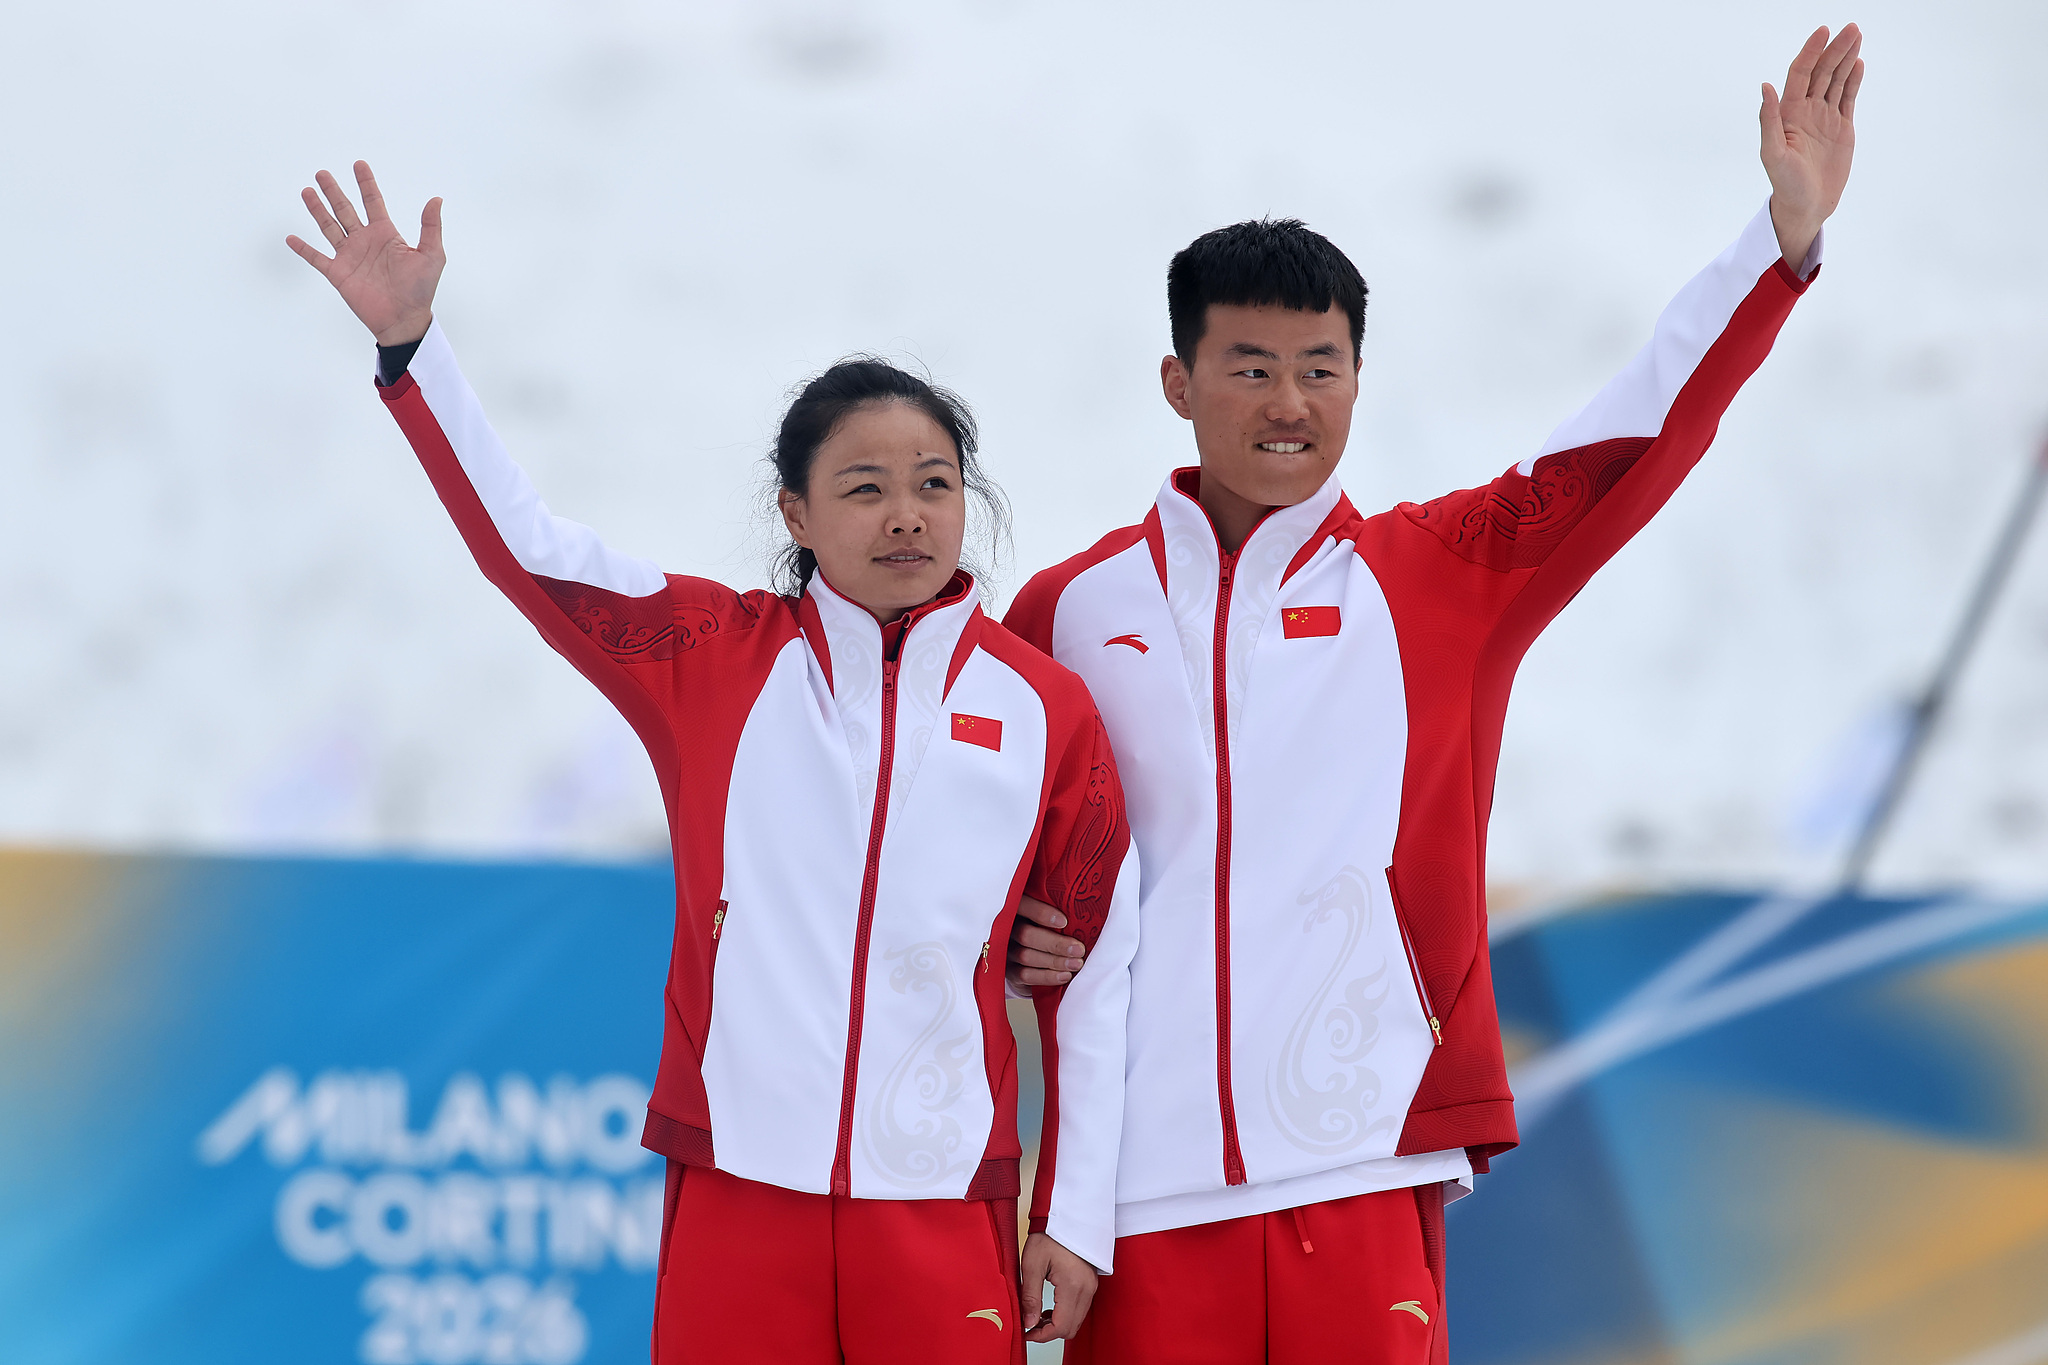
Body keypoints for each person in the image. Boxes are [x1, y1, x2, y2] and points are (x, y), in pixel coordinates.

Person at [1002, 24, 1864, 1364]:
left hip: (1357, 1170)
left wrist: (1779, 245)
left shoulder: (1442, 575)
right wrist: (1016, 927)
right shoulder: (1068, 611)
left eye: (1321, 367)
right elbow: (974, 830)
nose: (1289, 402)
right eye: (1249, 367)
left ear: (1356, 375)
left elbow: (1638, 430)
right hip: (1141, 1201)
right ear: (1179, 383)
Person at [286, 163, 1138, 1363]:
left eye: (934, 486)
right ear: (795, 516)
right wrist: (413, 352)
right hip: (740, 1188)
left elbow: (1096, 975)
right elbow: (532, 552)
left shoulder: (1046, 707)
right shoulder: (707, 659)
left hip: (949, 1203)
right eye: (865, 489)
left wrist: (1076, 1214)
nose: (906, 516)